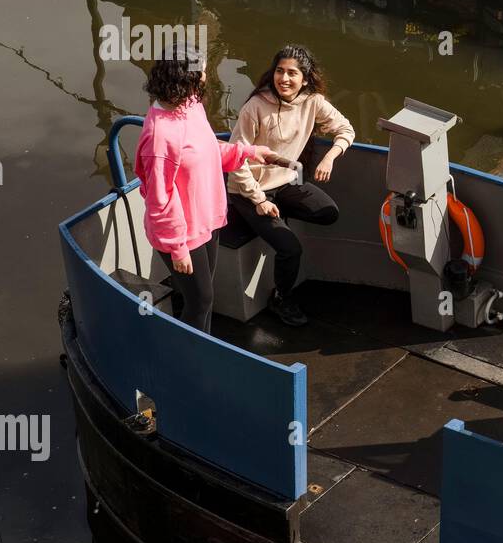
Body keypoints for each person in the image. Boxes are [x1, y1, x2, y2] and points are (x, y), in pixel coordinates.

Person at [135, 59, 278, 333]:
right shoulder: (159, 136)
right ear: (184, 80)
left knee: (205, 295)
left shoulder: (191, 106)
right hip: (181, 234)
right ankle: (190, 363)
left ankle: (202, 350)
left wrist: (248, 152)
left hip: (207, 218)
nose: (205, 76)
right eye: (201, 72)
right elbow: (160, 198)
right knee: (200, 300)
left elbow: (208, 149)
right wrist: (177, 248)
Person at [227, 45, 355, 327]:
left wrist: (330, 157)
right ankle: (281, 299)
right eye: (280, 71)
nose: (284, 79)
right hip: (249, 190)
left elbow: (345, 129)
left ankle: (277, 216)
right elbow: (237, 161)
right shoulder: (255, 107)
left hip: (285, 183)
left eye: (292, 73)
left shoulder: (313, 102)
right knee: (290, 248)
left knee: (327, 212)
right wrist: (259, 200)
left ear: (305, 79)